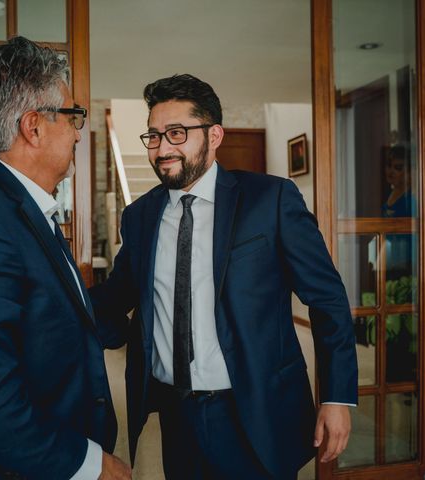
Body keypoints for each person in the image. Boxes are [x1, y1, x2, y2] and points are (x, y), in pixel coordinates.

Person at [90, 74, 358, 479]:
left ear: (214, 135)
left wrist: (338, 397)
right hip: (176, 413)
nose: (163, 148)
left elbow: (327, 299)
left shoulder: (271, 200)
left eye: (177, 133)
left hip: (255, 411)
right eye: (154, 136)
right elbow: (118, 296)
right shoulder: (140, 216)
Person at [0, 37, 131, 480]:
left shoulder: (15, 208)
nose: (77, 131)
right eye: (72, 116)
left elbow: (50, 314)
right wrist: (91, 466)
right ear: (33, 127)